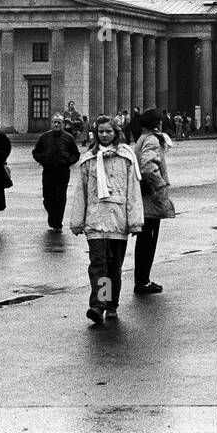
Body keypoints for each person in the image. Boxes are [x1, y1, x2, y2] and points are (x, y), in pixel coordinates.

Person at [66, 115, 143, 325]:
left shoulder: (126, 158)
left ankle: (112, 304)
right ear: (95, 134)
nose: (105, 135)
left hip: (118, 221)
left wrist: (135, 221)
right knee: (98, 264)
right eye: (101, 132)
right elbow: (80, 192)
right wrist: (77, 221)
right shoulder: (89, 159)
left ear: (116, 133)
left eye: (108, 131)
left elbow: (133, 192)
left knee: (114, 267)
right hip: (95, 220)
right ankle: (98, 305)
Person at [134, 108, 176, 295]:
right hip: (150, 198)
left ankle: (142, 279)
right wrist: (159, 187)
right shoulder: (151, 140)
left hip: (144, 197)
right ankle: (142, 281)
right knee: (148, 242)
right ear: (157, 124)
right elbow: (148, 166)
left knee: (143, 242)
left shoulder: (142, 138)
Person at [32, 113, 80, 231]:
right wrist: (42, 159)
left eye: (59, 122)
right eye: (55, 122)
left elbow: (76, 154)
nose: (57, 124)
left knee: (60, 197)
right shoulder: (44, 137)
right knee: (48, 197)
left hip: (62, 171)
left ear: (63, 124)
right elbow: (36, 152)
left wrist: (69, 161)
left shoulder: (68, 138)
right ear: (52, 123)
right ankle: (52, 216)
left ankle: (58, 223)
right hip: (48, 171)